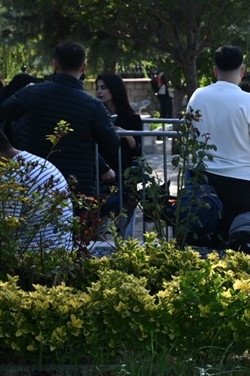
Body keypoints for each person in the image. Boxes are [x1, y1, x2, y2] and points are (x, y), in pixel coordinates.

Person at [0, 41, 120, 199]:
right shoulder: (93, 106)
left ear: (55, 64)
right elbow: (112, 144)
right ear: (84, 67)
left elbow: (4, 113)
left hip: (35, 183)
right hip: (77, 189)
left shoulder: (31, 93)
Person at [186, 45, 250, 240]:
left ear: (215, 70)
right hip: (242, 180)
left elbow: (191, 133)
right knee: (244, 240)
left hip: (203, 176)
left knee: (202, 240)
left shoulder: (198, 96)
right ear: (242, 70)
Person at [0, 126, 74, 251]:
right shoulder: (34, 162)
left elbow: (4, 233)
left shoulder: (10, 175)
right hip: (54, 257)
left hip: (32, 262)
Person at [95, 72, 144, 229]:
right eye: (97, 88)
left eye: (103, 87)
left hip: (125, 177)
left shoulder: (132, 118)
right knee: (99, 227)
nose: (99, 92)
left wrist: (126, 135)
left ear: (114, 89)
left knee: (124, 228)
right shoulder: (96, 115)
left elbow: (138, 152)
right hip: (101, 176)